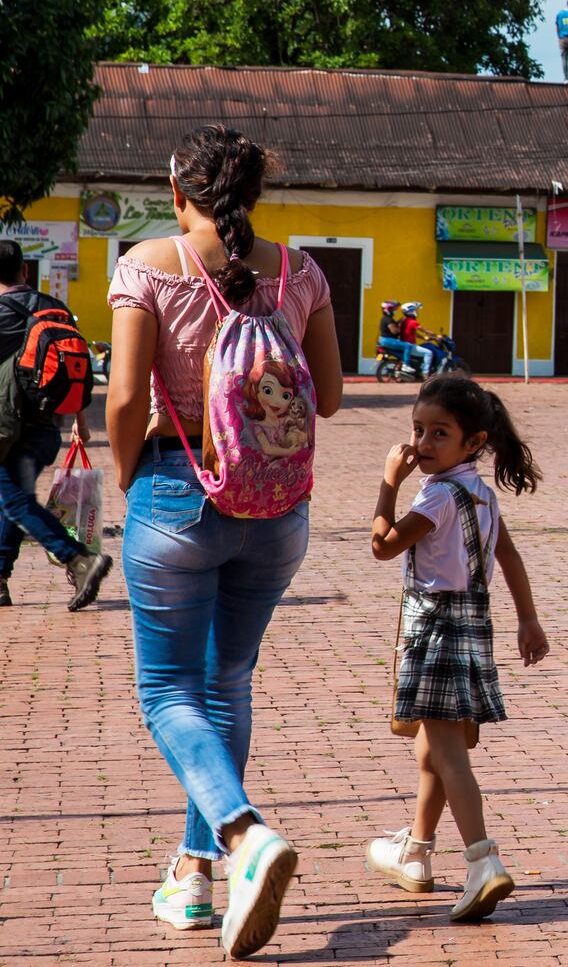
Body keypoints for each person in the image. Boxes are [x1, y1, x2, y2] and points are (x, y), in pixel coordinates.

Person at [105, 124, 342, 956]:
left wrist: (135, 479)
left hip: (178, 491)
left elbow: (126, 397)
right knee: (227, 682)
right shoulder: (301, 269)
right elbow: (334, 396)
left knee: (168, 692)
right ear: (254, 196)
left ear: (178, 195)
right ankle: (195, 876)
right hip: (277, 510)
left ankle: (243, 835)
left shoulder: (147, 265)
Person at [366, 374, 547, 924]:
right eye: (418, 430)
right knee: (432, 749)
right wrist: (529, 620)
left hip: (436, 628)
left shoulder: (438, 495)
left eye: (438, 434)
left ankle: (482, 860)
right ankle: (417, 853)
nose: (422, 444)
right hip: (472, 623)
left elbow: (382, 546)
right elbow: (509, 558)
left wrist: (388, 484)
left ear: (473, 443)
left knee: (447, 751)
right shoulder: (480, 493)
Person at [0, 239, 109, 611]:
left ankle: (77, 558)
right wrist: (81, 421)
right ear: (25, 270)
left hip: (7, 430)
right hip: (49, 426)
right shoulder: (55, 307)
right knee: (13, 500)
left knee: (13, 499)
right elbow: (73, 363)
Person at [379, 301, 430, 378]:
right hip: (388, 340)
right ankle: (406, 365)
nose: (394, 311)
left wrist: (400, 323)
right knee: (407, 346)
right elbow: (394, 331)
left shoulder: (387, 318)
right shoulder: (388, 319)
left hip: (385, 340)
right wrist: (400, 327)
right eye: (393, 309)